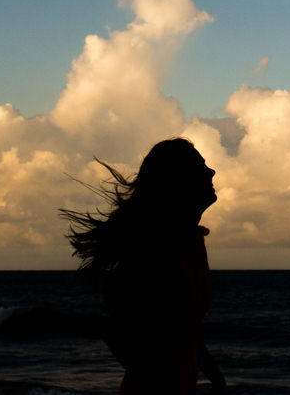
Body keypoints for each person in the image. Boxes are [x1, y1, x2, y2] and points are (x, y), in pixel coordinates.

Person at [62, 137, 226, 394]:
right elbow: (115, 330)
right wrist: (157, 379)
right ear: (178, 180)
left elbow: (186, 326)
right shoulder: (154, 247)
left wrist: (216, 378)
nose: (211, 171)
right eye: (200, 166)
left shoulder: (193, 242)